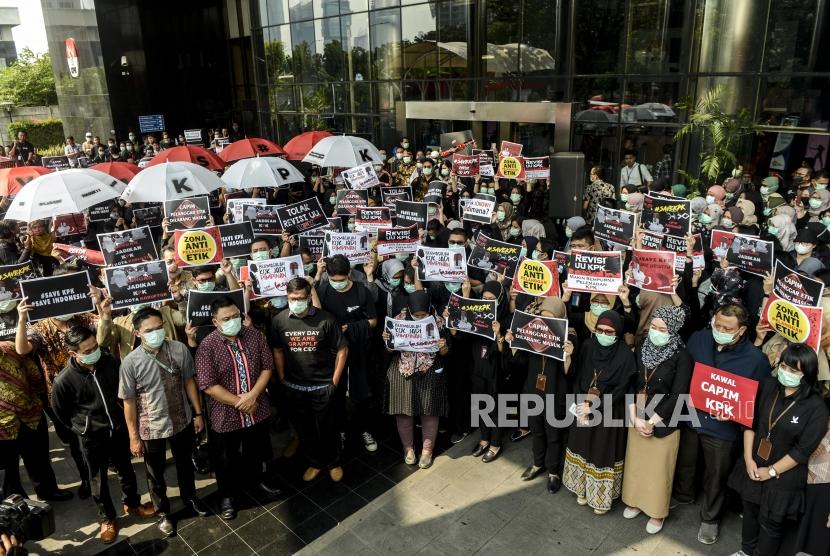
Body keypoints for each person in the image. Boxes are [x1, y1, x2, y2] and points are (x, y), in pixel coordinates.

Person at [673, 303, 771, 546]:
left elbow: (758, 402)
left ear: (741, 330)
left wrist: (733, 413)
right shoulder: (699, 339)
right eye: (717, 325)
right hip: (691, 416)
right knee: (686, 462)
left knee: (716, 475)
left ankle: (710, 517)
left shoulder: (756, 360)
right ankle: (683, 496)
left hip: (723, 430)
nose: (720, 329)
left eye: (727, 328)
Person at [50, 326, 156, 544]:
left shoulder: (109, 362)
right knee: (98, 480)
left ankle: (133, 504)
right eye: (87, 351)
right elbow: (60, 412)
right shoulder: (64, 380)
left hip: (118, 429)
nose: (93, 352)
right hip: (91, 437)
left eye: (95, 347)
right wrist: (83, 427)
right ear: (73, 354)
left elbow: (124, 390)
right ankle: (107, 518)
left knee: (126, 470)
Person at [727, 343, 828, 556]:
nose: (786, 373)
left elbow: (802, 451)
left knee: (770, 524)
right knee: (750, 511)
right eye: (783, 366)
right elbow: (749, 423)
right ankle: (745, 551)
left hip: (784, 477)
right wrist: (748, 459)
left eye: (794, 370)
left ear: (807, 374)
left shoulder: (817, 408)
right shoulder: (768, 385)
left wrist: (771, 471)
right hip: (754, 464)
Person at [119, 308, 209, 536]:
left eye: (159, 327)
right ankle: (162, 512)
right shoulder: (130, 363)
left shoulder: (179, 349)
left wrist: (198, 414)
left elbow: (189, 381)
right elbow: (128, 403)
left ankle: (190, 497)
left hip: (182, 420)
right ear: (138, 333)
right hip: (151, 428)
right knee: (155, 474)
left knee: (185, 464)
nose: (156, 333)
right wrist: (133, 437)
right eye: (149, 330)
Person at [195, 296, 280, 520]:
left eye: (236, 316)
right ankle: (227, 497)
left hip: (257, 409)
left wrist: (253, 396)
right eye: (227, 318)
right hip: (225, 415)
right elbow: (208, 385)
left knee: (258, 451)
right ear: (215, 322)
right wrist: (240, 403)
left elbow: (267, 367)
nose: (233, 320)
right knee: (225, 459)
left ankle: (259, 482)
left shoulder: (255, 336)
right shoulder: (208, 346)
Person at [621, 305, 693, 534]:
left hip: (663, 422)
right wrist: (634, 416)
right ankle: (634, 500)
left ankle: (656, 512)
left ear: (674, 330)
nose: (656, 331)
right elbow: (633, 382)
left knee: (659, 472)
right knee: (636, 464)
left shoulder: (682, 356)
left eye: (662, 329)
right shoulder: (643, 346)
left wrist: (651, 422)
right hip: (638, 417)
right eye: (653, 326)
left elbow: (678, 395)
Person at [271, 278, 348, 481]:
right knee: (305, 430)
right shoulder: (279, 321)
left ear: (308, 297)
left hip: (323, 386)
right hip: (295, 386)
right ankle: (315, 462)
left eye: (300, 298)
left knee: (328, 428)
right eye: (291, 298)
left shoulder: (326, 320)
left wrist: (334, 381)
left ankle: (333, 462)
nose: (296, 302)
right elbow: (278, 350)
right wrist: (282, 377)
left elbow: (342, 349)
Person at [563, 310, 636, 515]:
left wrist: (594, 406)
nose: (604, 334)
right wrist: (581, 402)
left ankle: (599, 496)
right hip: (583, 404)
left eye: (610, 332)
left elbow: (621, 390)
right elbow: (576, 375)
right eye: (600, 330)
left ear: (618, 333)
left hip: (609, 409)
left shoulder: (625, 356)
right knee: (582, 446)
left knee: (601, 450)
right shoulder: (587, 346)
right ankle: (582, 489)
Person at [509, 297, 575, 492]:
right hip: (533, 391)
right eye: (543, 317)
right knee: (537, 431)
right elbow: (520, 364)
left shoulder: (570, 336)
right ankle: (538, 464)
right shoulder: (533, 331)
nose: (546, 323)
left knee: (553, 435)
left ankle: (553, 471)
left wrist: (569, 356)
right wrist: (514, 344)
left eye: (551, 318)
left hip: (556, 395)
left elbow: (571, 374)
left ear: (560, 318)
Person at [315, 254, 378, 453]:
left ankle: (365, 429)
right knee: (336, 392)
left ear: (349, 274)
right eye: (334, 281)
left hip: (359, 349)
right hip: (333, 353)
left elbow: (373, 321)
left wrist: (349, 328)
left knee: (361, 391)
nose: (338, 284)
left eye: (341, 280)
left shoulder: (362, 291)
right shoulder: (323, 291)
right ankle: (340, 429)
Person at [382, 290, 450, 469]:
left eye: (423, 315)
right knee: (404, 412)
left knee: (429, 410)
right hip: (403, 369)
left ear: (429, 309)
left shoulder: (439, 321)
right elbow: (389, 350)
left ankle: (427, 451)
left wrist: (443, 347)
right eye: (416, 315)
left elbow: (446, 353)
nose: (420, 318)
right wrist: (387, 341)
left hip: (429, 369)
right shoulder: (398, 320)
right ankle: (408, 449)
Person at [0, 340, 70, 502]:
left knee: (39, 459)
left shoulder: (10, 349)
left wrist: (36, 399)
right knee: (8, 471)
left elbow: (34, 373)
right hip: (3, 427)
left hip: (30, 414)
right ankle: (18, 507)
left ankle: (48, 492)